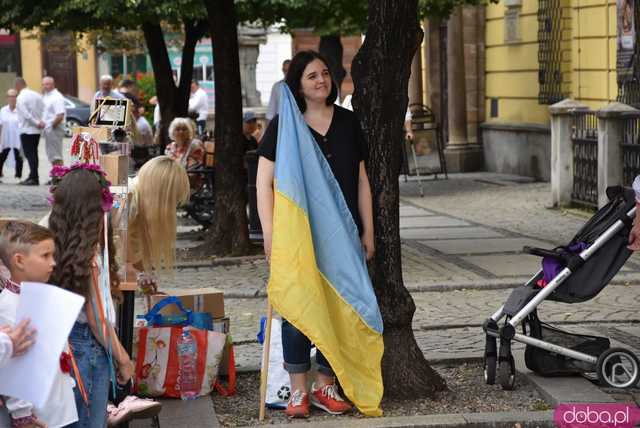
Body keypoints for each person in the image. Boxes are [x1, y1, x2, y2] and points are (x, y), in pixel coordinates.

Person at [256, 50, 375, 418]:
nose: (321, 80)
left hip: (343, 235)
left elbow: (361, 180)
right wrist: (271, 235)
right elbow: (264, 183)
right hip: (298, 237)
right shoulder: (284, 125)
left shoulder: (348, 122)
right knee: (297, 309)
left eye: (325, 73)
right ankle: (298, 391)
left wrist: (368, 231)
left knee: (340, 306)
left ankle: (326, 384)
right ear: (298, 85)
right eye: (311, 76)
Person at [48, 164, 135, 428]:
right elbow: (97, 319)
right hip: (87, 348)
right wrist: (124, 359)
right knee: (88, 421)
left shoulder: (52, 247)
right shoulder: (90, 259)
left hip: (65, 344)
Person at [0, 220, 78, 428]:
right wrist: (22, 415)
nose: (53, 263)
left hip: (58, 406)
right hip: (39, 417)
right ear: (19, 261)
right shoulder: (9, 307)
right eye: (45, 256)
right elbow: (13, 368)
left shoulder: (41, 297)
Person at [15, 77, 44, 186]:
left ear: (18, 85)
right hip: (36, 131)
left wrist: (36, 122)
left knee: (30, 155)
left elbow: (26, 114)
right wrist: (41, 121)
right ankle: (33, 175)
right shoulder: (36, 95)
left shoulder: (21, 97)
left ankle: (34, 178)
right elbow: (42, 108)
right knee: (34, 154)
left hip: (27, 129)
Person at [42, 76, 66, 170]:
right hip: (49, 129)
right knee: (51, 154)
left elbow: (60, 115)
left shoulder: (56, 97)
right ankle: (55, 176)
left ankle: (59, 178)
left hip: (55, 129)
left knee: (56, 155)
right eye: (43, 84)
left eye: (47, 84)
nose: (45, 86)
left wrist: (51, 127)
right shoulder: (46, 96)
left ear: (53, 84)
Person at [0, 89, 23, 183]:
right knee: (1, 156)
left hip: (18, 138)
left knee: (19, 157)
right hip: (5, 138)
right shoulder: (3, 110)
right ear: (7, 98)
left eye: (14, 96)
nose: (12, 98)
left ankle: (18, 176)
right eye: (10, 96)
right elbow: (0, 125)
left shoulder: (21, 110)